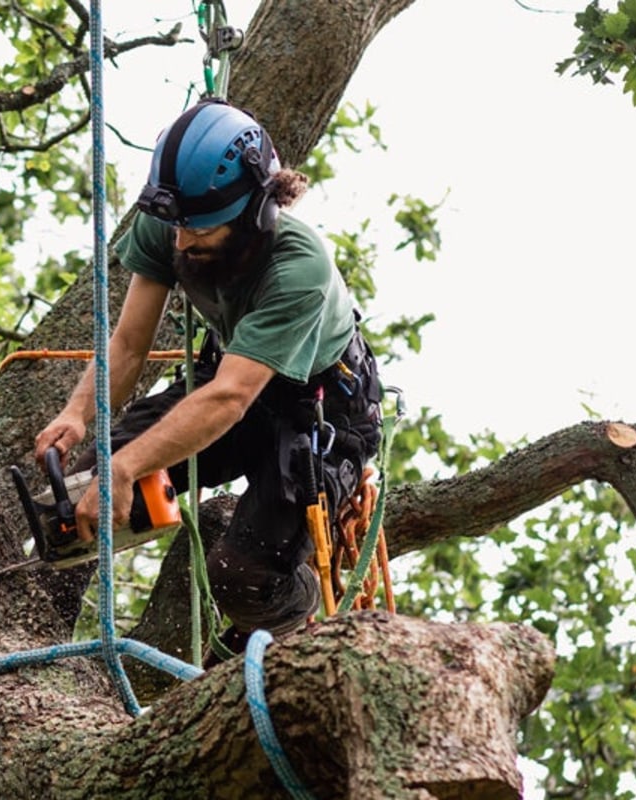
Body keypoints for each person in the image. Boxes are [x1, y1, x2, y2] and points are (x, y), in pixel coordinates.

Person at [32, 98, 384, 649]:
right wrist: (80, 413)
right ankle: (37, 625)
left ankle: (292, 607)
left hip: (316, 415)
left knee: (242, 576)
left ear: (258, 211)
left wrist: (129, 467)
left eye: (200, 229)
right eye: (176, 226)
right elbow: (128, 344)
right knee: (86, 486)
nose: (181, 242)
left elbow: (229, 399)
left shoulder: (299, 268)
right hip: (229, 382)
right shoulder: (174, 220)